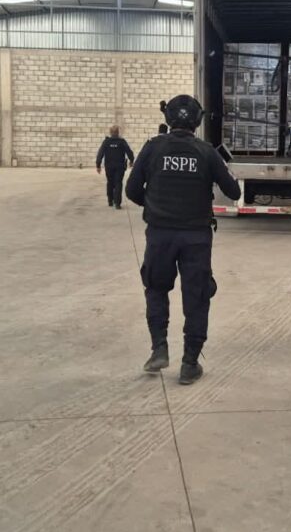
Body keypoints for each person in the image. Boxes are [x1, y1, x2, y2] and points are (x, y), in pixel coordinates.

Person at [126, 95, 241, 385]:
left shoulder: (153, 148)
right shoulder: (207, 152)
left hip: (160, 235)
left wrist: (154, 205)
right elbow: (234, 192)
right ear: (198, 121)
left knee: (156, 288)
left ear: (168, 119)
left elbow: (131, 189)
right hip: (196, 238)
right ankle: (189, 363)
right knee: (197, 297)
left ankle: (159, 349)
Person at [96, 125, 135, 209]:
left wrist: (98, 165)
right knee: (118, 183)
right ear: (118, 132)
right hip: (119, 167)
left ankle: (110, 201)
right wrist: (131, 160)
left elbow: (100, 153)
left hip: (109, 167)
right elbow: (129, 152)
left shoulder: (106, 142)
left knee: (110, 182)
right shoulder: (122, 142)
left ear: (110, 133)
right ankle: (117, 203)